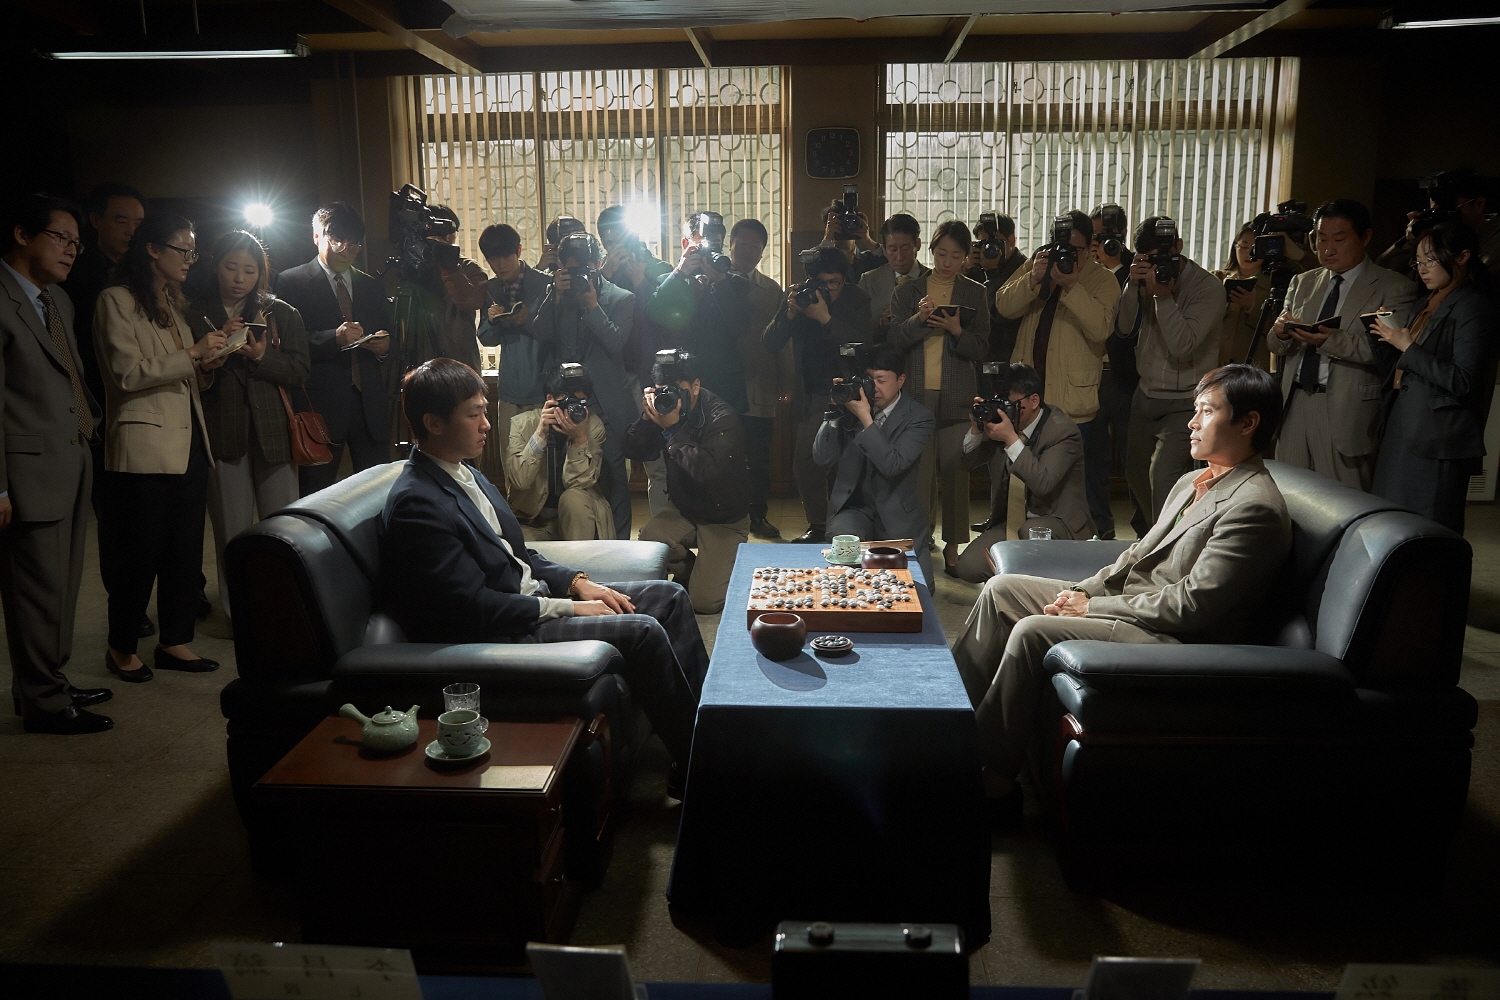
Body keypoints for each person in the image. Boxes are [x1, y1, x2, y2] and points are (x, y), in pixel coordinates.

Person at [952, 364, 1289, 810]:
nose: (1191, 423)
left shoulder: (1255, 507)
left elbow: (1193, 606)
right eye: (1195, 410)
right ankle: (946, 717)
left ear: (1248, 423)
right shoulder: (1193, 480)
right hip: (1131, 604)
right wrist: (1083, 591)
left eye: (1207, 411)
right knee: (1003, 589)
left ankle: (994, 780)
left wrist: (1090, 610)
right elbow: (1134, 554)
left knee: (1033, 630)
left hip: (1172, 635)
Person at [378, 358, 706, 794]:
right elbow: (470, 607)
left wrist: (577, 582)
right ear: (433, 423)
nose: (486, 424)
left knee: (669, 597)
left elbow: (519, 553)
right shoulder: (416, 502)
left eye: (484, 412)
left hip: (534, 598)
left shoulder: (465, 472)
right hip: (509, 627)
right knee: (642, 629)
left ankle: (707, 721)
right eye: (473, 414)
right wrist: (567, 607)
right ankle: (699, 764)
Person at [95, 212, 230, 683]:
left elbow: (184, 374)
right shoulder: (116, 299)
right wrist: (192, 353)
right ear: (152, 250)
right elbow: (126, 374)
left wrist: (207, 363)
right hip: (143, 446)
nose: (190, 259)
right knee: (139, 555)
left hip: (189, 440)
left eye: (193, 251)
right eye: (182, 249)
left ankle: (174, 641)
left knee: (184, 553)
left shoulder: (172, 301)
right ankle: (121, 647)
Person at [0, 194, 111, 733]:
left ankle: (48, 684)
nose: (71, 250)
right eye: (61, 238)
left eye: (76, 243)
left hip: (71, 458)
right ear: (23, 235)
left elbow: (70, 378)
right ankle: (44, 702)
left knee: (62, 587)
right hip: (25, 473)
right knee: (36, 593)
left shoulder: (57, 300)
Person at [188, 230, 311, 624]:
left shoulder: (280, 312)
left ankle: (287, 610)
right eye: (231, 267)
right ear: (216, 266)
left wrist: (260, 357)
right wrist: (210, 360)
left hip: (275, 433)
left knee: (283, 530)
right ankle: (239, 615)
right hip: (223, 431)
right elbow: (189, 374)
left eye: (250, 269)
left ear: (261, 273)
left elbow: (300, 370)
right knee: (231, 531)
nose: (240, 277)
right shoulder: (194, 313)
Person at [1267, 199, 1416, 491]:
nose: (1328, 249)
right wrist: (1281, 333)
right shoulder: (1303, 282)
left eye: (1339, 239)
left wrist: (1330, 340)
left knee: (1343, 499)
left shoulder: (1393, 287)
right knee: (1288, 495)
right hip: (1294, 402)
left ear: (1365, 237)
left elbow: (1385, 351)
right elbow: (1275, 344)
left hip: (1345, 407)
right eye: (1321, 239)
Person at [60, 183, 149, 637]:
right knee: (114, 519)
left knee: (146, 515)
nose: (132, 230)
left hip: (140, 407)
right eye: (121, 220)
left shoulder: (143, 272)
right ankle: (126, 610)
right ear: (95, 221)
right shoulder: (77, 276)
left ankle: (162, 597)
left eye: (138, 222)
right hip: (97, 409)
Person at [996, 210, 1117, 540]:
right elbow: (1004, 305)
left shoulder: (1103, 279)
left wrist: (1072, 285)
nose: (1066, 255)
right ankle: (1023, 536)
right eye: (1060, 246)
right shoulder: (1038, 263)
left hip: (1072, 400)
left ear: (1089, 247)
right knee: (1027, 478)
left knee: (1079, 488)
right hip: (1029, 398)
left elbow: (1101, 329)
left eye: (1075, 249)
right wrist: (1032, 279)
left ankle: (1090, 544)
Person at [1371, 221, 1499, 533]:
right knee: (1392, 525)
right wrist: (1383, 337)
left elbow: (1464, 380)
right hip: (1403, 423)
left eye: (1430, 259)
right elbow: (1403, 366)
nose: (1422, 269)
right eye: (1418, 261)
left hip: (1438, 437)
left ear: (1463, 256)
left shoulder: (1473, 306)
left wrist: (1408, 347)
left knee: (1431, 529)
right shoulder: (1425, 301)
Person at [888, 220, 991, 575]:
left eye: (956, 256)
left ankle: (953, 547)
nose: (948, 262)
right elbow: (894, 340)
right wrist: (920, 319)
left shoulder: (975, 292)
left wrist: (957, 330)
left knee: (956, 470)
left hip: (957, 394)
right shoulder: (908, 290)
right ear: (931, 251)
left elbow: (981, 347)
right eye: (942, 254)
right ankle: (919, 540)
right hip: (915, 393)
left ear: (966, 257)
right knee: (917, 475)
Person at [273, 203, 394, 496]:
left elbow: (393, 339)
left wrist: (384, 346)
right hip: (320, 405)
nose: (346, 250)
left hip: (369, 404)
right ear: (317, 237)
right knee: (317, 491)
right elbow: (286, 343)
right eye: (338, 241)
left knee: (377, 490)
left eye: (354, 244)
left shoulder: (372, 286)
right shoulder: (291, 281)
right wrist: (332, 339)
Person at [624, 349, 750, 615]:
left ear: (695, 386)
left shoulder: (722, 417)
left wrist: (672, 431)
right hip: (684, 509)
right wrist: (646, 419)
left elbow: (707, 472)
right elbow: (632, 450)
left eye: (677, 390)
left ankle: (725, 568)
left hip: (723, 518)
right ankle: (696, 571)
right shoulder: (663, 409)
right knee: (650, 542)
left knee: (704, 602)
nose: (671, 398)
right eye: (663, 391)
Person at [1116, 216, 1226, 521]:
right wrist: (1132, 286)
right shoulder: (1144, 278)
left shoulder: (1207, 288)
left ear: (1179, 246)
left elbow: (1183, 345)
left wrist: (1163, 297)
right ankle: (1152, 533)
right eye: (1150, 258)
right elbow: (1123, 328)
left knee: (1163, 479)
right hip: (1145, 393)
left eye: (1164, 256)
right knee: (1136, 474)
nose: (1159, 264)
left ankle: (1166, 540)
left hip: (1186, 400)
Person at [763, 247, 874, 544]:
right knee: (806, 461)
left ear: (844, 280)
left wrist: (825, 319)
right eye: (821, 282)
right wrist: (789, 313)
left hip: (851, 391)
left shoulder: (857, 298)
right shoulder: (801, 296)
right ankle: (819, 525)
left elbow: (865, 345)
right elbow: (770, 342)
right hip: (811, 393)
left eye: (834, 282)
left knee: (847, 464)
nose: (826, 289)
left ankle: (847, 526)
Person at [531, 232, 636, 539]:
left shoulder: (621, 298)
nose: (577, 275)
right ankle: (575, 545)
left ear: (598, 263)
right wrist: (555, 296)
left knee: (615, 478)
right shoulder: (556, 295)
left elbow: (616, 343)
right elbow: (539, 334)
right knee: (565, 476)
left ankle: (621, 547)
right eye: (569, 268)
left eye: (583, 268)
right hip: (566, 400)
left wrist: (592, 306)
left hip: (607, 404)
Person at [812, 346, 937, 586]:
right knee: (846, 575)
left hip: (897, 512)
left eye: (881, 380)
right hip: (854, 508)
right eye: (870, 379)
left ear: (901, 380)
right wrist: (834, 411)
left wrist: (865, 417)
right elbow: (821, 458)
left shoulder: (919, 417)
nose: (874, 387)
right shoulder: (852, 406)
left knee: (920, 588)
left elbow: (893, 464)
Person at [955, 363, 1091, 583]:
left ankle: (1032, 584)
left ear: (1034, 400)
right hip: (1012, 522)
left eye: (1012, 405)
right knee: (968, 566)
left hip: (1058, 522)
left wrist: (1011, 440)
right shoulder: (1004, 422)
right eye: (1001, 403)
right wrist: (976, 430)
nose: (1005, 411)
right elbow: (966, 463)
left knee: (1031, 531)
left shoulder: (1062, 432)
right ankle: (1014, 577)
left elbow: (1043, 483)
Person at [647, 212, 751, 414]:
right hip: (679, 382)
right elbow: (652, 313)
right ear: (686, 244)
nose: (708, 252)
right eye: (702, 246)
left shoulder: (736, 284)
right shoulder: (668, 281)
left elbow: (741, 327)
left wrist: (721, 283)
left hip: (724, 385)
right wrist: (679, 273)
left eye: (715, 246)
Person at [476, 223, 552, 499]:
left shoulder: (544, 284)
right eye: (493, 259)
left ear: (518, 251)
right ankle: (516, 516)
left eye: (506, 256)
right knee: (514, 463)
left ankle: (547, 516)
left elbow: (556, 333)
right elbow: (486, 338)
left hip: (542, 387)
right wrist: (492, 320)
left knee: (543, 466)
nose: (500, 264)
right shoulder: (491, 288)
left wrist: (527, 320)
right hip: (509, 388)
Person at [1089, 204, 1147, 539]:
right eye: (1097, 235)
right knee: (1093, 457)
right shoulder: (1082, 270)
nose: (1102, 241)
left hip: (1126, 376)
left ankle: (1144, 529)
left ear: (1123, 233)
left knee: (1133, 457)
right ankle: (1100, 527)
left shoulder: (1137, 269)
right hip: (1092, 375)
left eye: (1109, 234)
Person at [505, 363, 613, 540]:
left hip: (577, 517)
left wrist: (579, 439)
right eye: (569, 403)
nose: (575, 410)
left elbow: (579, 483)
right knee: (519, 550)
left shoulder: (592, 425)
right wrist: (540, 435)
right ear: (550, 399)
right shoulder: (522, 424)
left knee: (573, 498)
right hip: (533, 521)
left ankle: (581, 559)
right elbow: (520, 480)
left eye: (581, 403)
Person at [729, 218, 786, 540]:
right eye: (743, 244)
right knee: (724, 454)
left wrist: (785, 381)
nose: (748, 250)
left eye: (755, 245)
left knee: (759, 458)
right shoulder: (712, 281)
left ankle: (758, 516)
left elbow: (782, 341)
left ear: (762, 251)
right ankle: (726, 516)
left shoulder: (771, 290)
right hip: (722, 383)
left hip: (760, 383)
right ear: (731, 245)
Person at [402, 203, 486, 372]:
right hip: (421, 364)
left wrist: (449, 266)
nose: (448, 238)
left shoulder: (468, 268)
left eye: (450, 233)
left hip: (459, 363)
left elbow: (473, 301)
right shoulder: (413, 269)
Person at [1379, 168, 1500, 273]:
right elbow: (1382, 273)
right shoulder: (1436, 235)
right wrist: (1411, 241)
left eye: (1450, 209)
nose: (1444, 217)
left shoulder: (1495, 244)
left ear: (1479, 204)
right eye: (1437, 211)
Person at [968, 213, 1028, 364]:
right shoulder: (976, 269)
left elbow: (1000, 312)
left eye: (996, 242)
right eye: (984, 243)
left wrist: (991, 272)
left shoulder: (1025, 271)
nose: (990, 248)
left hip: (1012, 358)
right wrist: (966, 268)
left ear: (1011, 240)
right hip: (980, 357)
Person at [1214, 223, 1274, 368]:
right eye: (1244, 246)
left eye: (1255, 248)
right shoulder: (1216, 279)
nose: (1249, 253)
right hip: (1214, 365)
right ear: (1235, 247)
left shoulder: (1272, 287)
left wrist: (1253, 307)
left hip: (1251, 367)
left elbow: (1277, 335)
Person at [858, 214, 930, 332]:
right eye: (893, 249)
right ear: (885, 248)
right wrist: (880, 323)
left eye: (905, 248)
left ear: (917, 245)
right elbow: (857, 327)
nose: (899, 257)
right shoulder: (869, 281)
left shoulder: (933, 278)